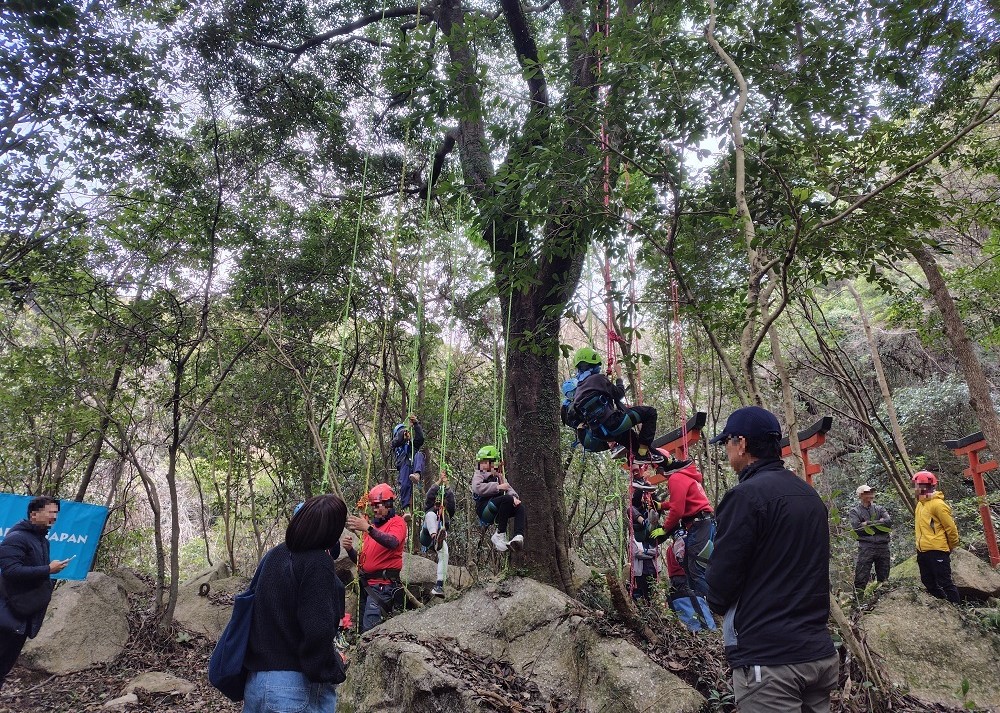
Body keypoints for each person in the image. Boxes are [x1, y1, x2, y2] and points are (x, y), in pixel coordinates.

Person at [705, 406, 838, 713]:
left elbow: (722, 578)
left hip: (770, 661)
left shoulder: (745, 497)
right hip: (817, 652)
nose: (726, 450)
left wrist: (715, 600)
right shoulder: (808, 496)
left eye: (727, 442)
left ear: (742, 443)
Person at [243, 494, 348, 712]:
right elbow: (318, 629)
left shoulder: (273, 555)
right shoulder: (318, 562)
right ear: (332, 532)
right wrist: (328, 668)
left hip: (256, 684)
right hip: (293, 688)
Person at [0, 496, 70, 690]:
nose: (54, 517)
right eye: (50, 512)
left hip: (23, 616)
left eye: (56, 513)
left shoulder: (42, 540)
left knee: (4, 668)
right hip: (7, 615)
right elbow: (10, 571)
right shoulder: (17, 538)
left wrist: (49, 575)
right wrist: (48, 570)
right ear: (34, 514)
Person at [570, 347, 662, 464]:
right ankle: (642, 454)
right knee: (650, 413)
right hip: (613, 424)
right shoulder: (598, 379)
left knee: (632, 439)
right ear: (594, 365)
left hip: (601, 433)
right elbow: (619, 394)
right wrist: (619, 376)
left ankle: (651, 457)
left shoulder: (578, 391)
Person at [342, 483, 408, 633]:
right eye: (373, 506)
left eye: (379, 505)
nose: (375, 509)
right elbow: (361, 562)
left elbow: (392, 542)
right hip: (367, 586)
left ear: (389, 505)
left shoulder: (397, 522)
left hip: (382, 586)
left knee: (370, 630)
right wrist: (350, 550)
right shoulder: (372, 529)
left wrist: (367, 528)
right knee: (362, 630)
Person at [657, 459, 715, 597]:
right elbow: (680, 501)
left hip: (699, 525)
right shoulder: (686, 475)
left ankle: (709, 608)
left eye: (658, 470)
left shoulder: (675, 478)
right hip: (704, 523)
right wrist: (662, 506)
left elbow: (677, 510)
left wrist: (664, 529)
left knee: (696, 568)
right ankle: (700, 606)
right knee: (693, 567)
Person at [913, 470, 960, 603]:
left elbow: (950, 528)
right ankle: (944, 606)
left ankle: (959, 611)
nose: (915, 488)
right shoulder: (920, 505)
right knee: (927, 581)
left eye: (917, 485)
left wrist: (951, 546)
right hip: (922, 550)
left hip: (938, 549)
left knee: (945, 582)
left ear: (925, 486)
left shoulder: (938, 505)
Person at [471, 446, 526, 552]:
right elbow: (477, 488)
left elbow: (509, 488)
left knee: (520, 507)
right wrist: (497, 487)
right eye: (481, 462)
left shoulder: (499, 476)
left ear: (493, 462)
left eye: (485, 462)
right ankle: (500, 533)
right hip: (484, 509)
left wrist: (514, 498)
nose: (482, 464)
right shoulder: (480, 474)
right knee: (507, 499)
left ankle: (518, 536)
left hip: (498, 508)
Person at [848, 484, 892, 591]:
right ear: (860, 495)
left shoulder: (880, 508)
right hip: (866, 547)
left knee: (884, 577)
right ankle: (857, 604)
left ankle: (882, 601)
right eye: (867, 492)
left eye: (871, 492)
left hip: (882, 546)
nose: (871, 494)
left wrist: (867, 523)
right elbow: (858, 529)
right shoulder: (855, 511)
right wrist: (879, 523)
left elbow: (888, 522)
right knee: (861, 577)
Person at [420, 476, 456, 597]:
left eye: (439, 505)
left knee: (445, 553)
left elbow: (452, 504)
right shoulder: (430, 509)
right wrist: (440, 481)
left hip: (439, 538)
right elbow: (430, 494)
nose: (437, 506)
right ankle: (436, 537)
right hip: (427, 536)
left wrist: (447, 485)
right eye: (436, 504)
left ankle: (439, 585)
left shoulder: (446, 515)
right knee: (431, 515)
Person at [391, 415, 425, 510]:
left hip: (413, 465)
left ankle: (417, 474)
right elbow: (396, 441)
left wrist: (416, 424)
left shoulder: (411, 445)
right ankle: (406, 509)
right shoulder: (396, 444)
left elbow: (420, 439)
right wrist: (403, 435)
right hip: (404, 465)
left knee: (419, 454)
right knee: (405, 485)